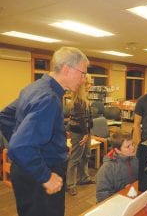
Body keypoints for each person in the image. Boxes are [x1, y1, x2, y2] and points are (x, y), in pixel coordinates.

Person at [8, 46, 89, 216]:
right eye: (82, 73)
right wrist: (45, 176)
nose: (84, 79)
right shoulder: (49, 98)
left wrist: (23, 146)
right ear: (67, 69)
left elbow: (5, 117)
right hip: (42, 174)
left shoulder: (34, 87)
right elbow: (20, 146)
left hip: (26, 171)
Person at [66, 74, 95, 196]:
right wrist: (84, 134)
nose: (89, 86)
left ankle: (84, 178)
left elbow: (88, 119)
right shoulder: (78, 100)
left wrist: (88, 132)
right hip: (79, 133)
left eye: (90, 84)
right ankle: (70, 184)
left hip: (85, 132)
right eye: (87, 84)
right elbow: (81, 119)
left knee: (86, 155)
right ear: (81, 85)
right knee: (75, 157)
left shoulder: (85, 99)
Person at [96, 129, 138, 203]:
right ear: (117, 150)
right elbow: (101, 196)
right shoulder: (107, 169)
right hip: (117, 203)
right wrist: (122, 193)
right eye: (128, 146)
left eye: (132, 144)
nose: (132, 148)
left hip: (132, 198)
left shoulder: (134, 160)